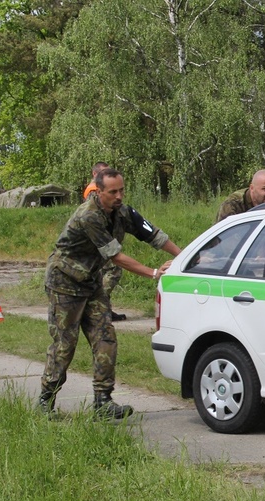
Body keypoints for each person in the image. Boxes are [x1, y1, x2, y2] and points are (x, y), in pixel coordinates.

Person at [39, 168, 180, 418]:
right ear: (99, 191)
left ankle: (103, 401)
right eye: (112, 192)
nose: (118, 196)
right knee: (65, 344)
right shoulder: (88, 216)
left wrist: (185, 257)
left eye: (121, 190)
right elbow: (115, 256)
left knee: (106, 338)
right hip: (65, 283)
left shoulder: (123, 212)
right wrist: (154, 272)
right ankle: (45, 401)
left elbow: (154, 235)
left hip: (91, 283)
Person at [84, 162, 128, 321]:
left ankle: (104, 307)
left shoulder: (98, 190)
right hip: (99, 242)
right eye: (104, 173)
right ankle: (99, 305)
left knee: (105, 273)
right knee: (114, 270)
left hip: (102, 241)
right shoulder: (94, 193)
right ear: (95, 175)